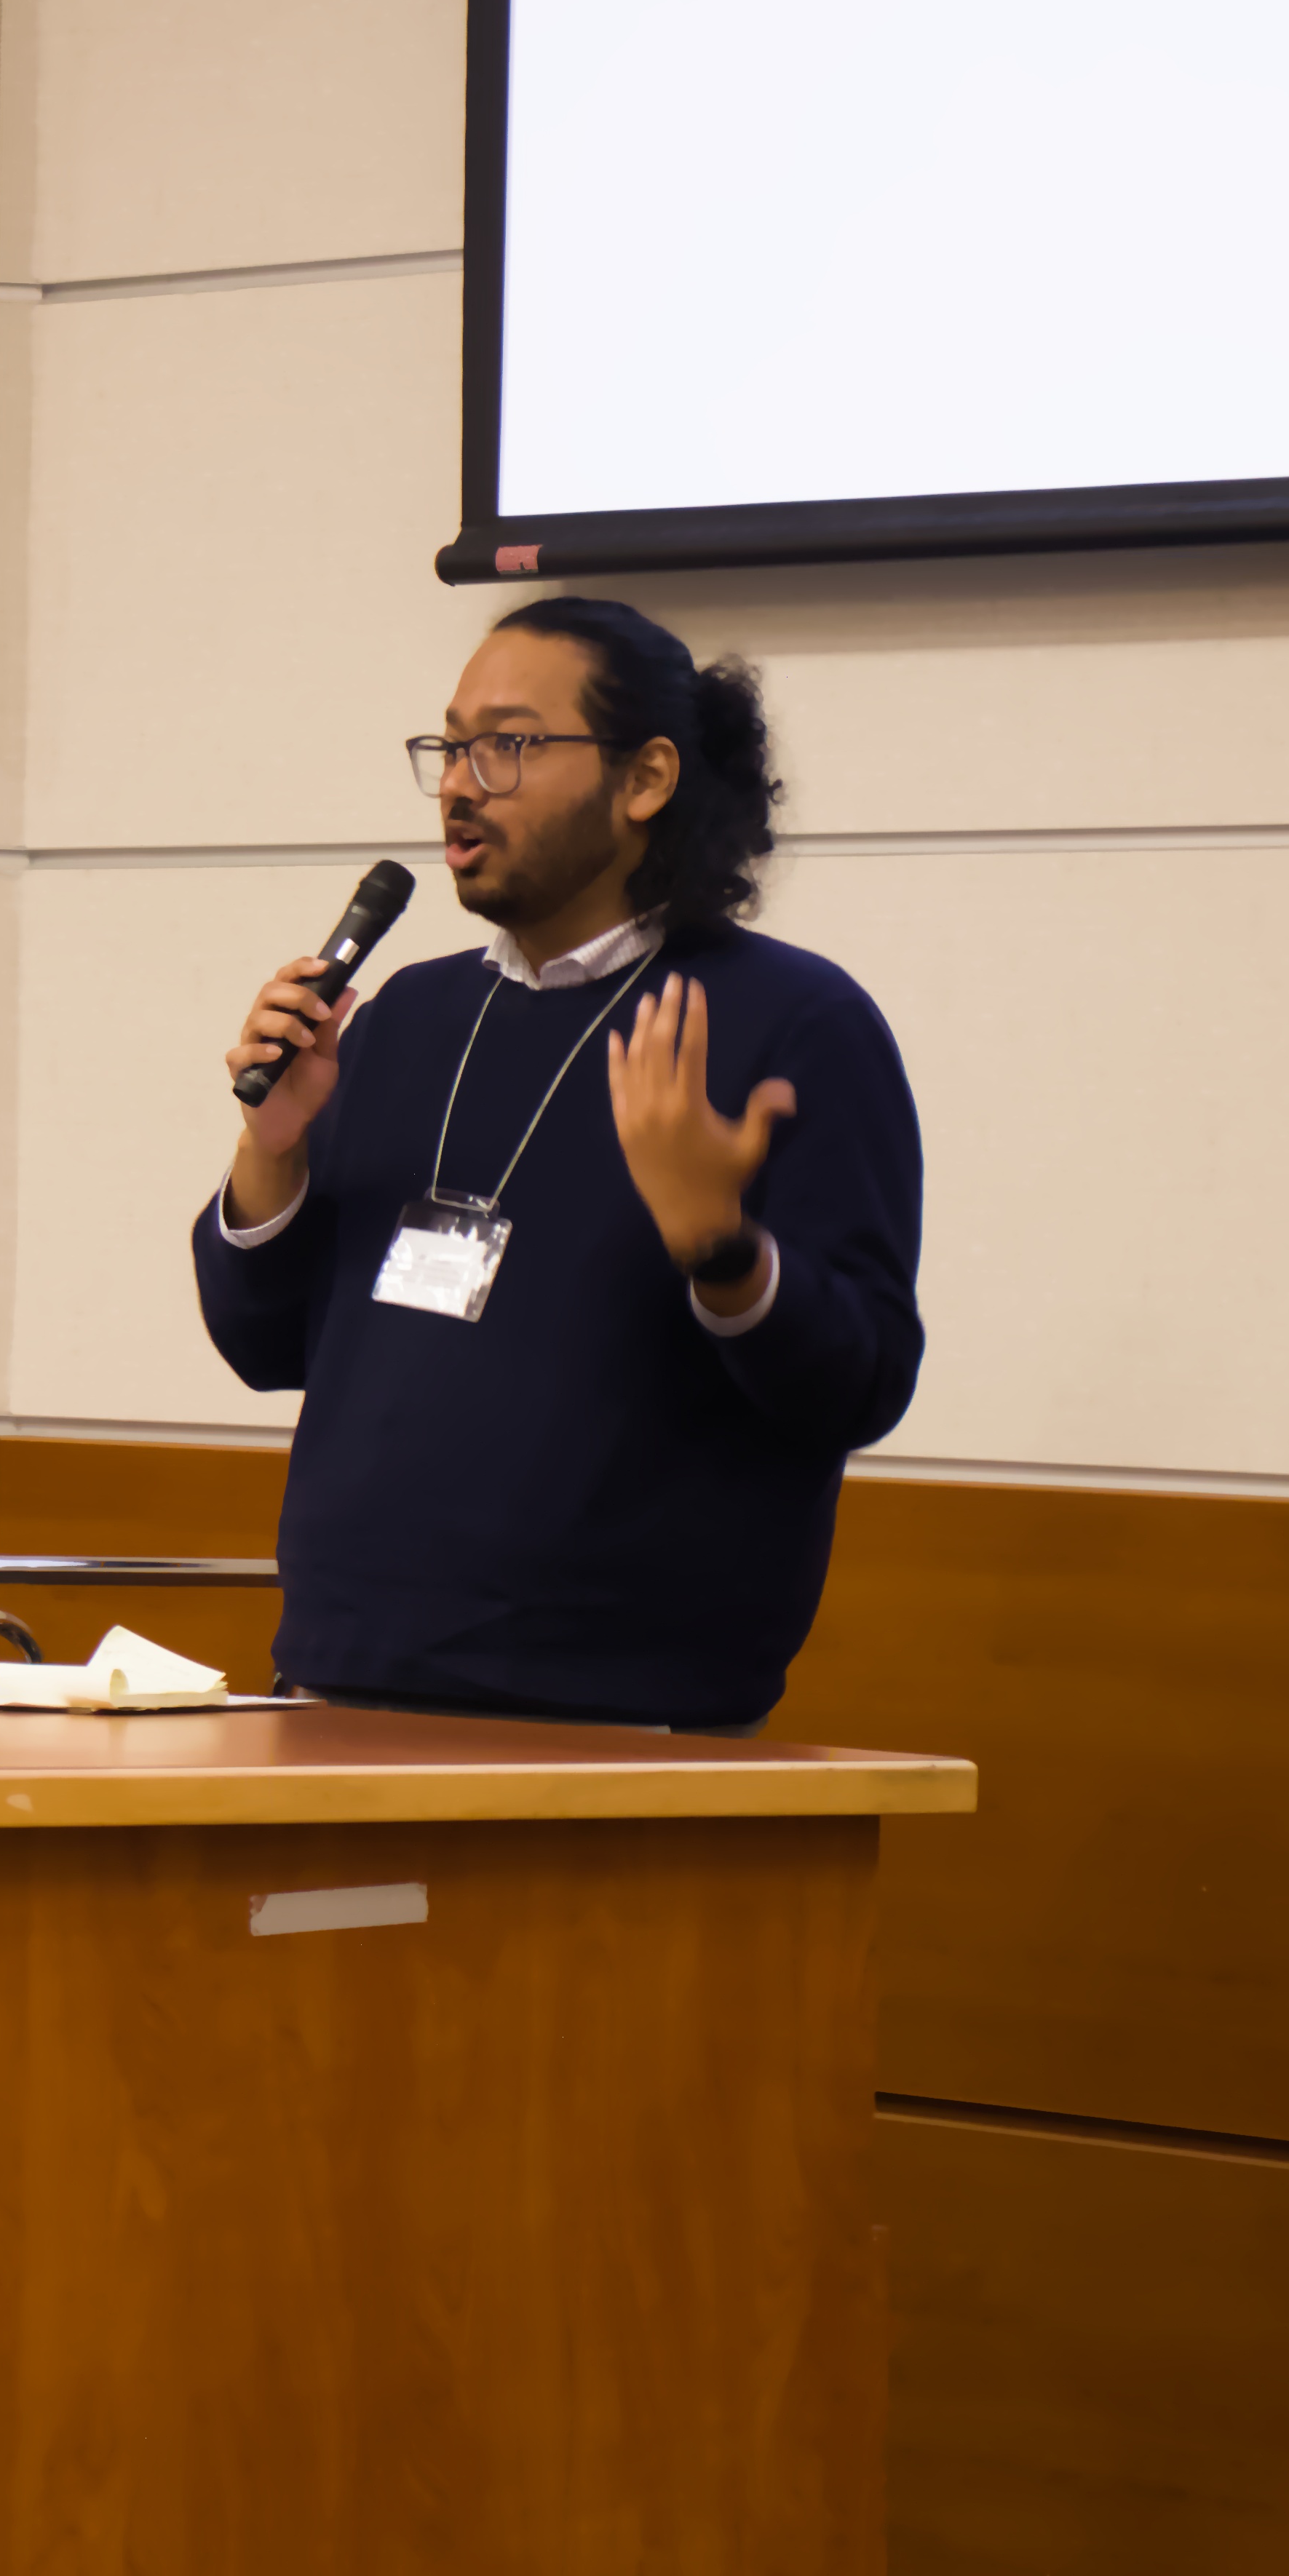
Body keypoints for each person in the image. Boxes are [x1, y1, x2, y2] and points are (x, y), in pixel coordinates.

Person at [191, 596, 922, 1732]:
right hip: (342, 1683)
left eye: (509, 745)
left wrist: (720, 1248)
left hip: (616, 1717)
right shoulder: (403, 1018)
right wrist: (270, 1151)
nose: (459, 784)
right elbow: (262, 1346)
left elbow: (859, 1381)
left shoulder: (789, 1022)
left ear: (645, 779)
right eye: (448, 747)